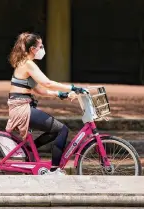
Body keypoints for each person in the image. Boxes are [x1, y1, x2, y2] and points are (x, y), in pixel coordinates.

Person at [5, 32, 86, 175]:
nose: (42, 49)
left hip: (21, 107)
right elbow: (47, 83)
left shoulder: (24, 63)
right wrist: (72, 87)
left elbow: (40, 90)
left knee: (54, 130)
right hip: (22, 109)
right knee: (62, 130)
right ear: (32, 49)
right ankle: (55, 169)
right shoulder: (28, 64)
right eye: (40, 46)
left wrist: (62, 94)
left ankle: (30, 149)